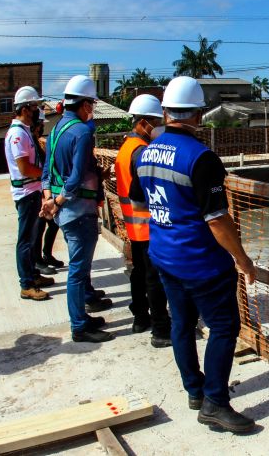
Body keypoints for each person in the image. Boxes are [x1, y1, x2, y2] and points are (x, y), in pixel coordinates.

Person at [130, 76, 257, 433]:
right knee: (223, 327)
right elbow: (217, 220)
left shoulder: (144, 153)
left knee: (181, 324)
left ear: (165, 112)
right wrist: (243, 260)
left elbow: (140, 203)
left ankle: (195, 391)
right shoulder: (202, 158)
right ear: (198, 115)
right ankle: (215, 402)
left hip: (164, 255)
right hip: (202, 262)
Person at [40, 75, 114, 343]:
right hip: (78, 211)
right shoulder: (82, 132)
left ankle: (82, 317)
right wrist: (58, 201)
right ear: (84, 105)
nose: (92, 110)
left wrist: (49, 198)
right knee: (78, 272)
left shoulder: (57, 129)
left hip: (64, 211)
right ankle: (79, 325)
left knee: (78, 268)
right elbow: (76, 177)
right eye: (91, 105)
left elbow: (48, 170)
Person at [114, 94, 171, 348]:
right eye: (156, 121)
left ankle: (140, 316)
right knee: (154, 278)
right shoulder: (141, 152)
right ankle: (160, 329)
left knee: (138, 272)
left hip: (133, 225)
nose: (159, 126)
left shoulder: (126, 147)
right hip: (147, 224)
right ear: (144, 122)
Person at [4, 86, 54, 301]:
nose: (37, 111)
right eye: (35, 107)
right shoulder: (17, 134)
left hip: (31, 189)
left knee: (33, 237)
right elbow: (24, 168)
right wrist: (46, 174)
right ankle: (26, 284)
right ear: (24, 109)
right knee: (25, 240)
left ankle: (33, 275)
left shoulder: (24, 131)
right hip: (26, 191)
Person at [31, 111, 64, 274]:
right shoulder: (31, 142)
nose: (42, 128)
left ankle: (46, 254)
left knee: (52, 224)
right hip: (37, 190)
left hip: (42, 190)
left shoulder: (36, 142)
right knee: (38, 227)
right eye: (41, 125)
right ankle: (37, 260)